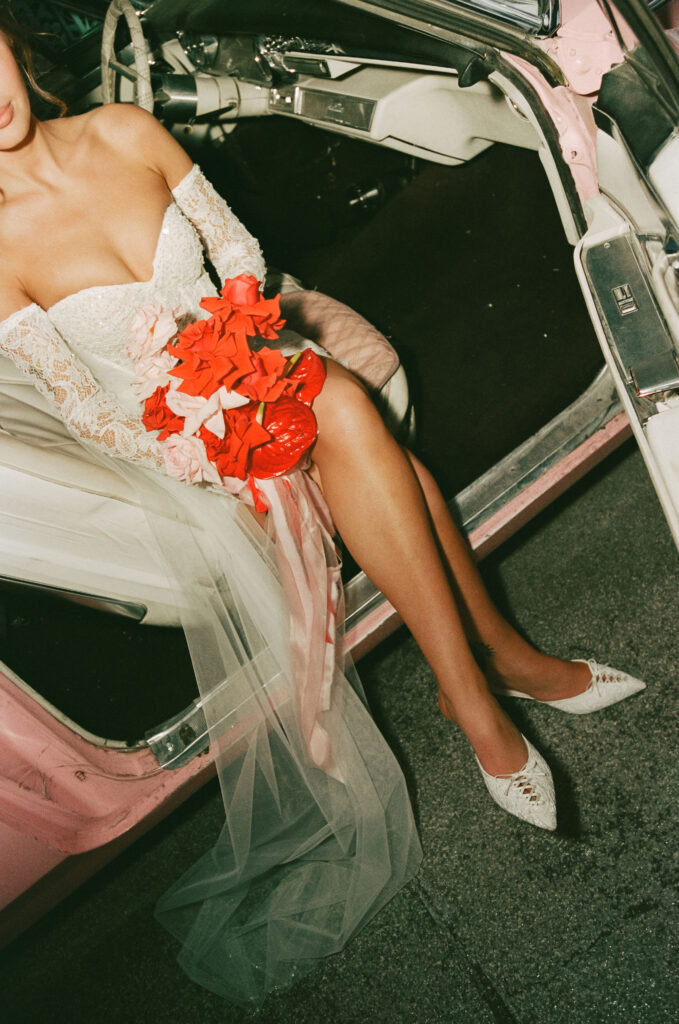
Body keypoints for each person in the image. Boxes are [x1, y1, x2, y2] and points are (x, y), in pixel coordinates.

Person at [0, 11, 645, 1006]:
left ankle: (480, 685)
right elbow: (88, 414)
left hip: (256, 357)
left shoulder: (127, 130)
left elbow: (237, 251)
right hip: (179, 448)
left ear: (13, 45)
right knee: (354, 423)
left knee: (337, 410)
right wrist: (206, 436)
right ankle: (495, 668)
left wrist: (243, 340)